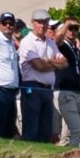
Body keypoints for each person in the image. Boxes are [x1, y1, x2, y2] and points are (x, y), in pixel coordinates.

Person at [17, 15, 61, 144]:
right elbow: (39, 66)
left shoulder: (50, 42)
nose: (43, 25)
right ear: (33, 23)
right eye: (39, 22)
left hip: (47, 89)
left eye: (45, 23)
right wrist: (54, 64)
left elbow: (64, 63)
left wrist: (48, 62)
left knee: (45, 127)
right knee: (32, 125)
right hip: (32, 86)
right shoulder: (27, 41)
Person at [51, 19, 80, 146]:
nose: (73, 31)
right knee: (72, 129)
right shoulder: (63, 45)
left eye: (76, 29)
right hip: (65, 91)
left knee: (78, 129)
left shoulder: (75, 48)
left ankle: (70, 152)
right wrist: (67, 23)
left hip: (76, 91)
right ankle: (66, 153)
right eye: (70, 28)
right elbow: (56, 39)